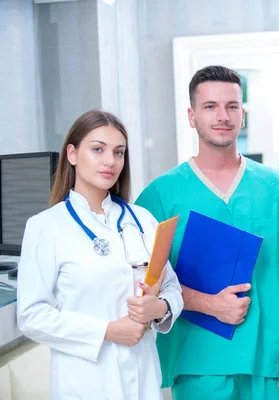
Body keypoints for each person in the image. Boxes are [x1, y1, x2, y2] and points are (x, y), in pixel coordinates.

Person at [135, 65, 279, 400]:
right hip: (197, 362)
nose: (223, 115)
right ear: (192, 116)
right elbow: (146, 284)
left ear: (243, 115)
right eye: (210, 106)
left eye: (232, 106)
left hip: (271, 360)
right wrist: (209, 304)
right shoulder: (160, 196)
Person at [17, 109, 183, 400]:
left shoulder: (142, 219)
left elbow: (171, 286)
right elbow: (32, 315)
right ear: (72, 154)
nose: (110, 161)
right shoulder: (45, 227)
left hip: (143, 377)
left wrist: (160, 309)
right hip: (85, 382)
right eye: (98, 149)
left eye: (119, 152)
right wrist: (107, 331)